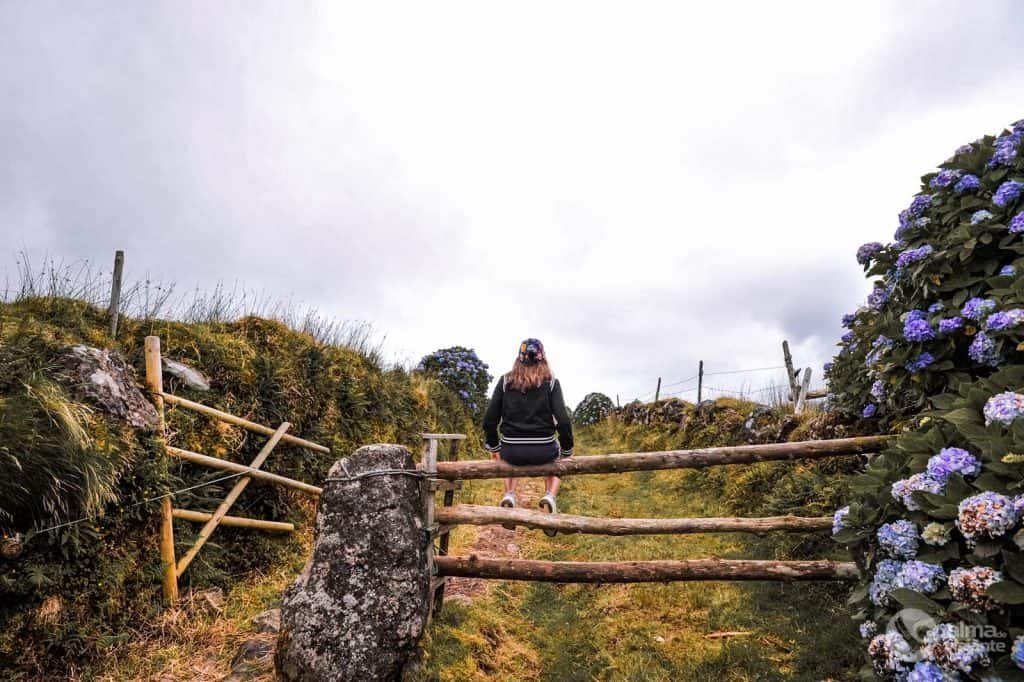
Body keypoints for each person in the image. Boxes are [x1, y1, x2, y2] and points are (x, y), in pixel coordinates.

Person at [483, 338, 574, 532]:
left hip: (512, 450)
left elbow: (489, 420)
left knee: (507, 458)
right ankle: (550, 496)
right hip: (544, 450)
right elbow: (563, 421)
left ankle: (509, 494)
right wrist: (567, 450)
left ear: (519, 358)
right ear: (542, 358)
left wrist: (495, 447)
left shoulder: (506, 381)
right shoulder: (551, 382)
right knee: (558, 460)